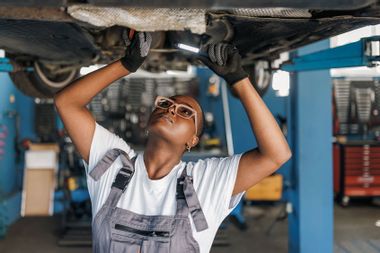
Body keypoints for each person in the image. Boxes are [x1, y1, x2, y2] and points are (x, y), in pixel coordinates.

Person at [54, 31, 291, 253]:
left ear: (193, 140)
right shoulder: (113, 165)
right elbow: (67, 104)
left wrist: (239, 80)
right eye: (166, 104)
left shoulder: (205, 182)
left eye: (186, 112)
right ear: (148, 122)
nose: (172, 109)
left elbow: (276, 154)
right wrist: (126, 65)